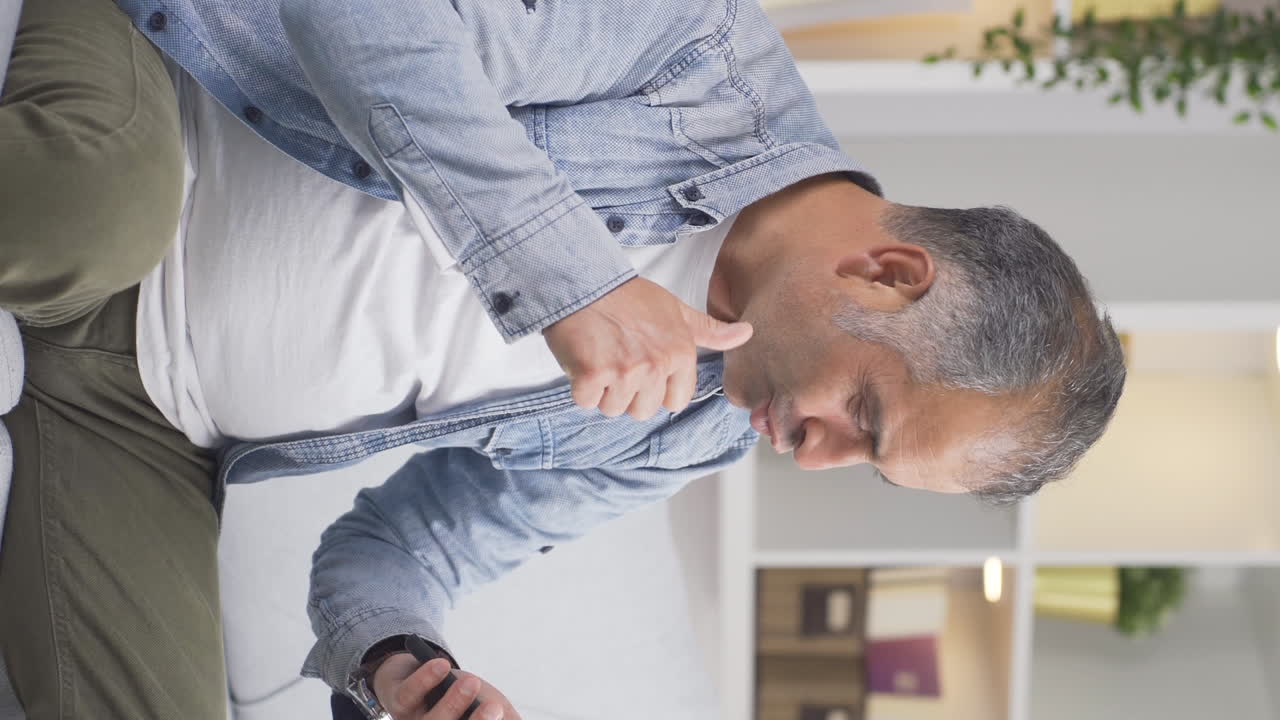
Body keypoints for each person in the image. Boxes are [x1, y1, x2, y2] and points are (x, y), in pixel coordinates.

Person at [0, 0, 1127, 718]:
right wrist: (565, 281)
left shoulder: (695, 428)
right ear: (886, 275)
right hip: (161, 91)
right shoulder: (695, 56)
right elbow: (359, 20)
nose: (814, 456)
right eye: (863, 420)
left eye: (865, 466)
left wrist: (401, 660)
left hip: (143, 418)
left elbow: (401, 542)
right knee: (93, 216)